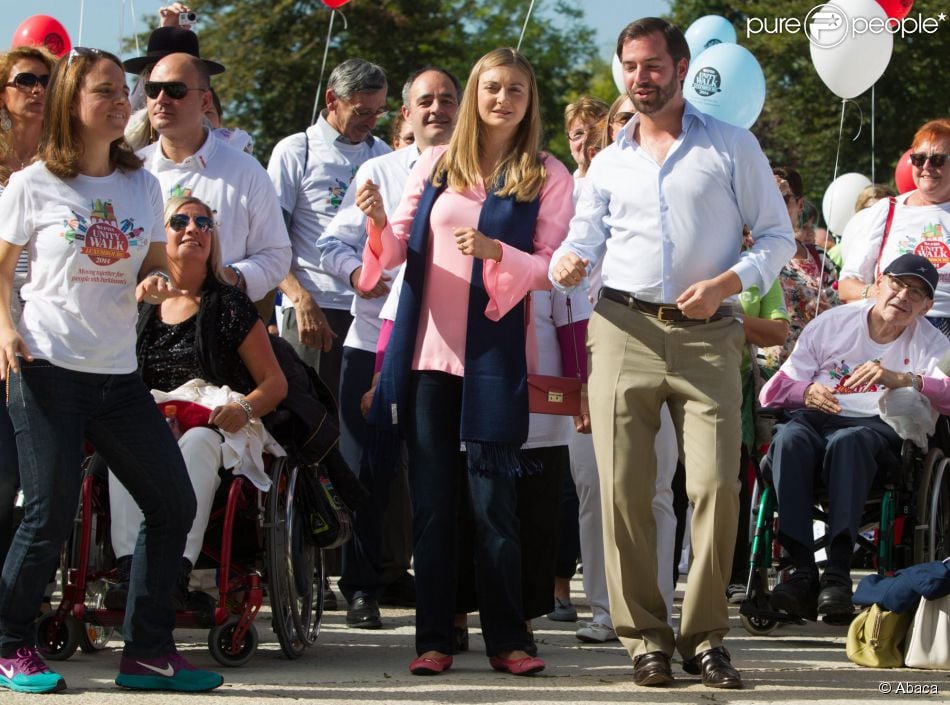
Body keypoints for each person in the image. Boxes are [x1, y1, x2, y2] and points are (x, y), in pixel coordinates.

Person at [550, 18, 795, 689]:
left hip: (711, 333)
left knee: (714, 484)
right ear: (620, 71)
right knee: (624, 490)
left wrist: (727, 282)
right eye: (630, 66)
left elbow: (777, 236)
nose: (642, 77)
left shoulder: (732, 145)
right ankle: (644, 639)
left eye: (654, 64)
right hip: (621, 327)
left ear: (682, 67)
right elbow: (579, 243)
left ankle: (705, 634)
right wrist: (567, 265)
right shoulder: (606, 162)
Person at [0, 47, 221, 694]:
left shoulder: (142, 184)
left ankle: (147, 652)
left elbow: (157, 265)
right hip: (46, 370)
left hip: (118, 375)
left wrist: (154, 280)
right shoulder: (31, 184)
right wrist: (6, 329)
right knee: (48, 515)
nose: (122, 101)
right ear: (73, 102)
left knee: (172, 501)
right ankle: (10, 645)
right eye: (106, 91)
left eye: (123, 90)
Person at [356, 47, 573, 676]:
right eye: (493, 87)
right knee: (431, 502)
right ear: (476, 94)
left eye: (517, 90)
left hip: (494, 363)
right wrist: (375, 223)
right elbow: (394, 252)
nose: (503, 99)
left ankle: (509, 638)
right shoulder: (435, 163)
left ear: (530, 102)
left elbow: (552, 268)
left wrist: (495, 250)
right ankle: (434, 638)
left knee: (494, 503)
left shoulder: (545, 174)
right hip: (426, 358)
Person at [318, 66, 461, 630]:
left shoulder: (483, 172)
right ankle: (360, 587)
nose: (437, 110)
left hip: (448, 348)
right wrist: (358, 274)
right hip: (373, 342)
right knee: (369, 471)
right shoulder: (377, 170)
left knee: (437, 474)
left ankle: (442, 593)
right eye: (425, 101)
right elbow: (332, 242)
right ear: (405, 114)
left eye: (448, 100)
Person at [106, 196, 287, 609]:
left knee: (197, 443)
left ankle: (174, 571)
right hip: (149, 422)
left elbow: (274, 384)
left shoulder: (230, 305)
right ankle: (130, 569)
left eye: (204, 222)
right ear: (160, 235)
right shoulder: (136, 303)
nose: (193, 229)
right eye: (180, 221)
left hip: (216, 427)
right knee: (123, 442)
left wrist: (242, 410)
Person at [760, 254, 950, 620]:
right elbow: (773, 391)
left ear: (927, 307)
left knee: (850, 442)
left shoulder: (931, 343)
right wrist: (806, 392)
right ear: (879, 282)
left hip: (877, 430)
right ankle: (800, 572)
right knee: (789, 440)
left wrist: (902, 379)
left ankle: (836, 574)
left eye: (916, 293)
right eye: (897, 284)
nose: (903, 296)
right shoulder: (832, 323)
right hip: (818, 416)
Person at [268, 58, 392, 399]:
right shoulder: (296, 150)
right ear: (331, 99)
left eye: (379, 112)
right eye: (362, 111)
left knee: (363, 425)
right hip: (314, 307)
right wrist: (301, 299)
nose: (370, 122)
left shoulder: (383, 155)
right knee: (312, 424)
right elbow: (270, 238)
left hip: (370, 311)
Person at [138, 53, 290, 304]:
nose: (161, 99)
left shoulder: (245, 170)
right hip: (143, 326)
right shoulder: (133, 170)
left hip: (220, 324)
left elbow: (276, 254)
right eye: (153, 90)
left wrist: (228, 279)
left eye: (175, 90)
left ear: (205, 100)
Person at [0, 45, 54, 573]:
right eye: (24, 80)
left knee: (35, 483)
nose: (37, 89)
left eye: (46, 80)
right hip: (2, 337)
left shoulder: (67, 163)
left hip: (48, 340)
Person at [839, 119, 950, 335]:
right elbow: (847, 285)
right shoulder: (888, 210)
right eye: (918, 159)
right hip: (891, 327)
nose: (926, 167)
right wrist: (881, 294)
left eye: (937, 160)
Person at [758, 169, 840, 379]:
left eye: (783, 199)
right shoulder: (749, 249)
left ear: (800, 205)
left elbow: (840, 314)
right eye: (768, 197)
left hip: (813, 371)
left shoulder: (819, 257)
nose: (775, 207)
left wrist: (829, 314)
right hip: (764, 371)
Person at [564, 96, 608, 172]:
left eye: (593, 130)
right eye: (578, 134)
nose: (585, 139)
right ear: (569, 143)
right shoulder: (568, 183)